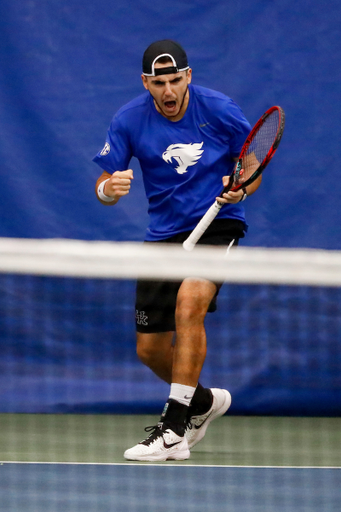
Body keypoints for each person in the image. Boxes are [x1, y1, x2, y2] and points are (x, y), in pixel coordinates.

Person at [93, 40, 261, 461]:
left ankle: (173, 430)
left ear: (188, 77)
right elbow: (105, 184)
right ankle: (202, 403)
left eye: (175, 80)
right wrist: (107, 190)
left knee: (190, 304)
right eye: (158, 83)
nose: (168, 91)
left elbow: (252, 165)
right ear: (146, 83)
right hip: (164, 234)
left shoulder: (219, 109)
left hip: (216, 224)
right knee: (149, 349)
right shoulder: (130, 119)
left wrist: (241, 189)